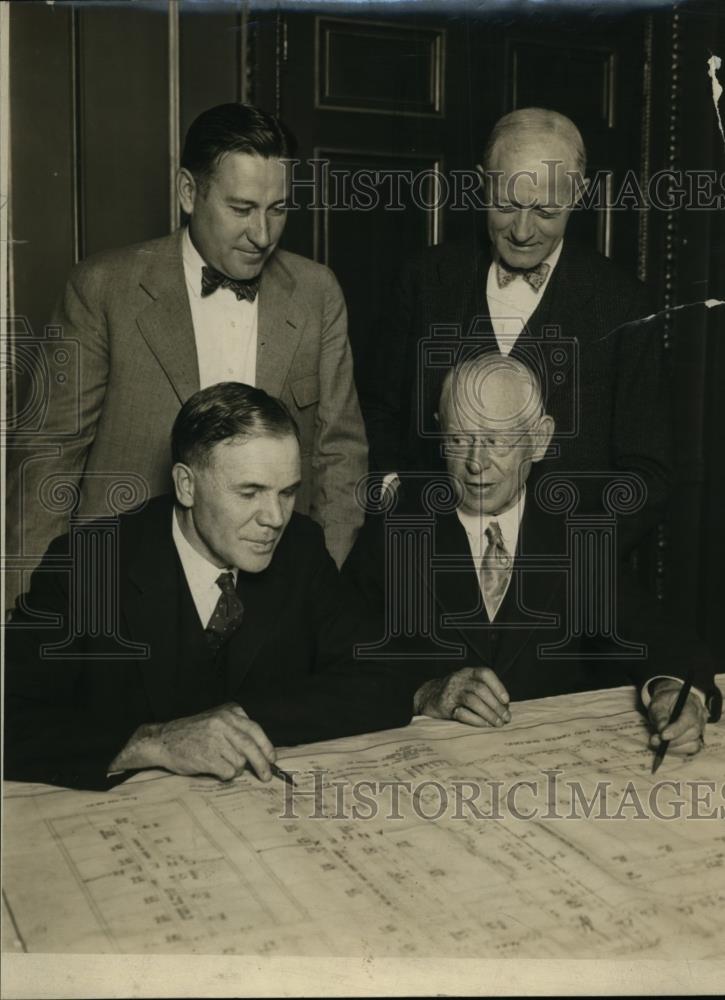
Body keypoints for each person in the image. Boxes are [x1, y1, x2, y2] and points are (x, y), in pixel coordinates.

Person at [6, 102, 367, 613]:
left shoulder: (317, 293)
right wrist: (27, 611)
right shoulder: (103, 289)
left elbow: (340, 457)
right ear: (188, 193)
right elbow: (48, 462)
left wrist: (310, 591)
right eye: (241, 209)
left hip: (272, 592)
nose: (262, 235)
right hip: (122, 591)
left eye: (279, 209)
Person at [4, 383, 411, 792]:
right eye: (249, 492)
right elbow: (11, 718)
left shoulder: (300, 549)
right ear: (186, 485)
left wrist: (240, 716)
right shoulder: (88, 564)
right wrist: (151, 742)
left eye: (287, 492)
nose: (274, 517)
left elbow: (385, 678)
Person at [346, 354, 720, 753]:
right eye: (458, 439)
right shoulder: (397, 528)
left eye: (496, 441)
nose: (476, 463)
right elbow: (340, 652)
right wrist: (421, 693)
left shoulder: (574, 535)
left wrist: (673, 692)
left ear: (539, 439)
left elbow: (656, 634)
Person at [363, 107, 670, 555]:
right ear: (480, 182)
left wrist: (568, 556)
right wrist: (402, 511)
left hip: (569, 582)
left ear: (579, 194)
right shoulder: (424, 280)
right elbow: (377, 415)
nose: (523, 232)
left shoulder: (626, 305)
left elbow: (649, 474)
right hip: (430, 564)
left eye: (545, 210)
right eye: (505, 205)